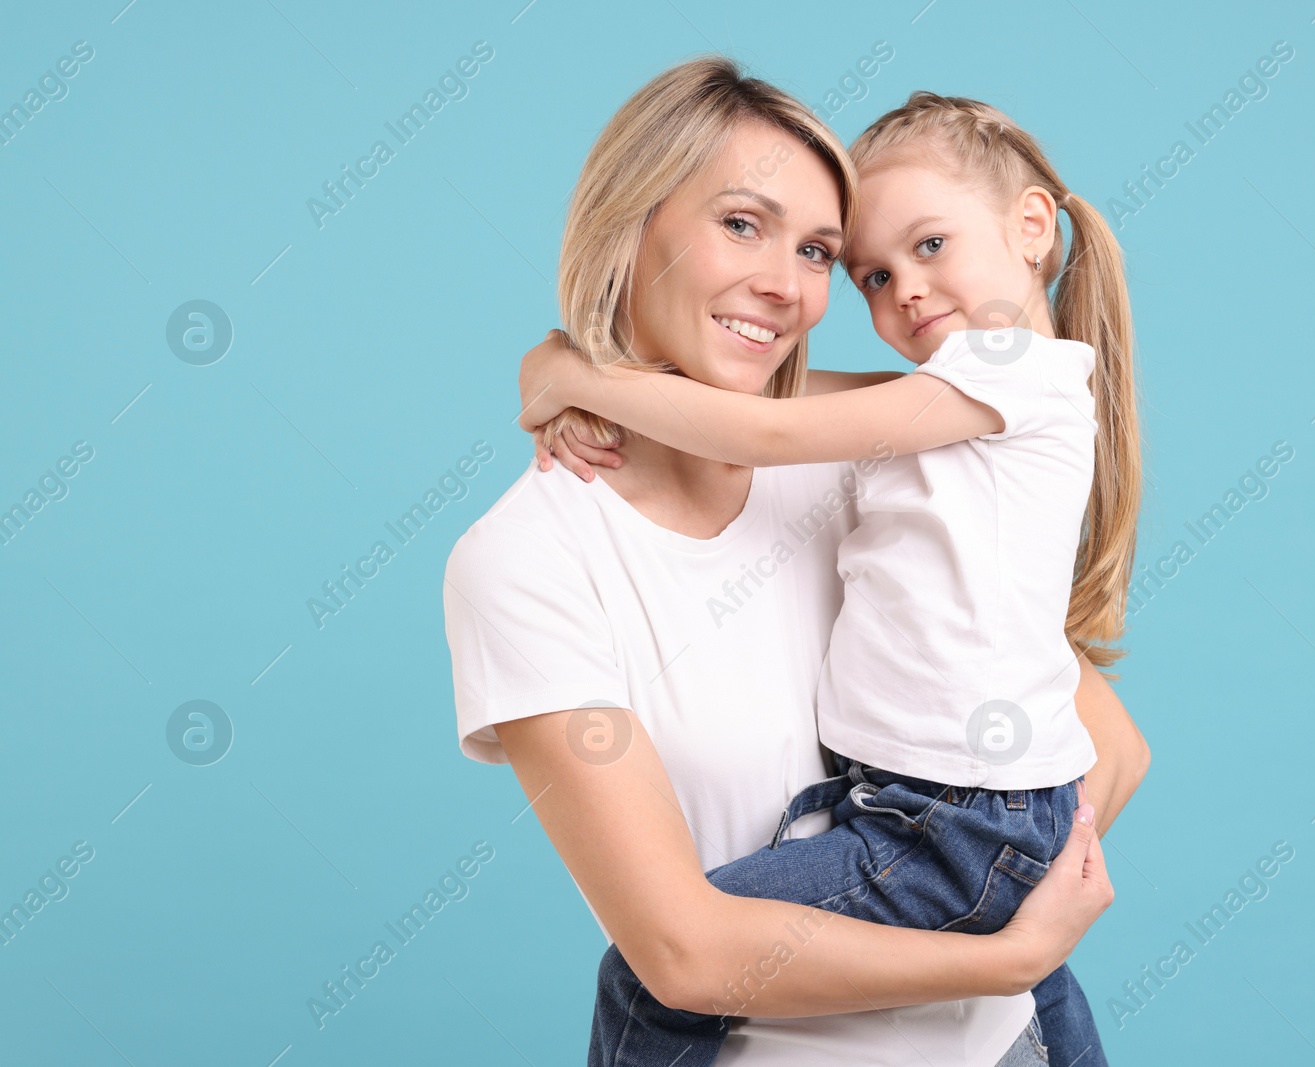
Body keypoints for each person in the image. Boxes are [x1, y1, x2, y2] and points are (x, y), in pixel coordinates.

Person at [443, 56, 1148, 1067]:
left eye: (817, 250)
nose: (785, 284)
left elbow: (1110, 743)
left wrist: (572, 369)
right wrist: (995, 949)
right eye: (741, 222)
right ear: (628, 222)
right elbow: (682, 952)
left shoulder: (859, 468)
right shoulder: (529, 560)